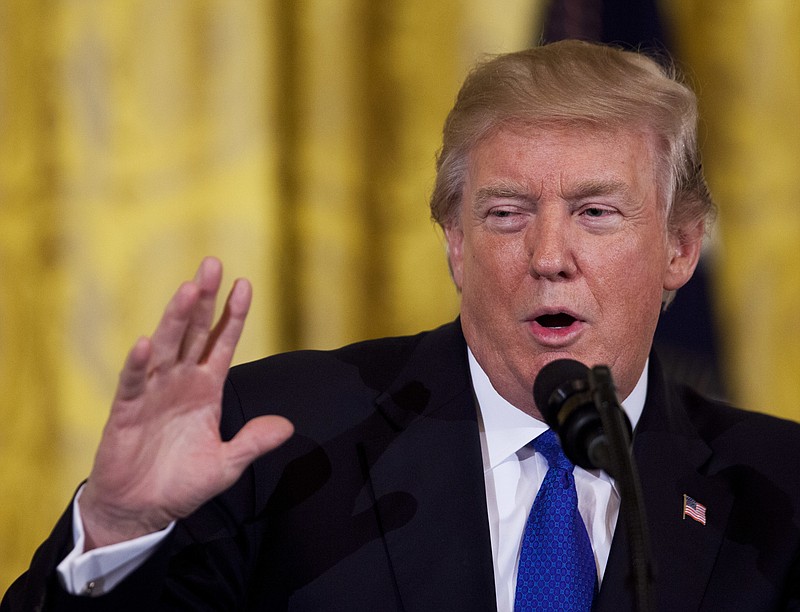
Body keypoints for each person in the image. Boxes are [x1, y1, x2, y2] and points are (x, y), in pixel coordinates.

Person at [4, 39, 800, 611]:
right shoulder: (278, 442)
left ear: (681, 247)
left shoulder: (779, 492)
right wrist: (114, 532)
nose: (549, 254)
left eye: (596, 212)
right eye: (505, 213)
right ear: (455, 242)